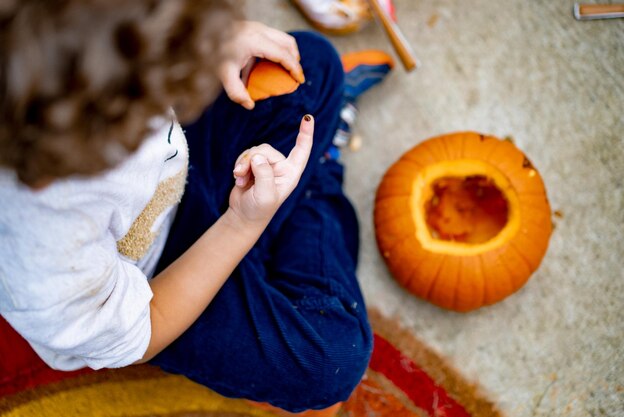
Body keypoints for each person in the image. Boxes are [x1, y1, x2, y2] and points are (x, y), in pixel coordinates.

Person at [0, 0, 372, 415]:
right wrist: (240, 225)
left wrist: (215, 44)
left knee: (313, 64)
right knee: (331, 362)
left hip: (177, 176)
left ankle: (277, 225)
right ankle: (317, 183)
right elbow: (150, 323)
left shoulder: (88, 53)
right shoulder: (39, 263)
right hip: (156, 281)